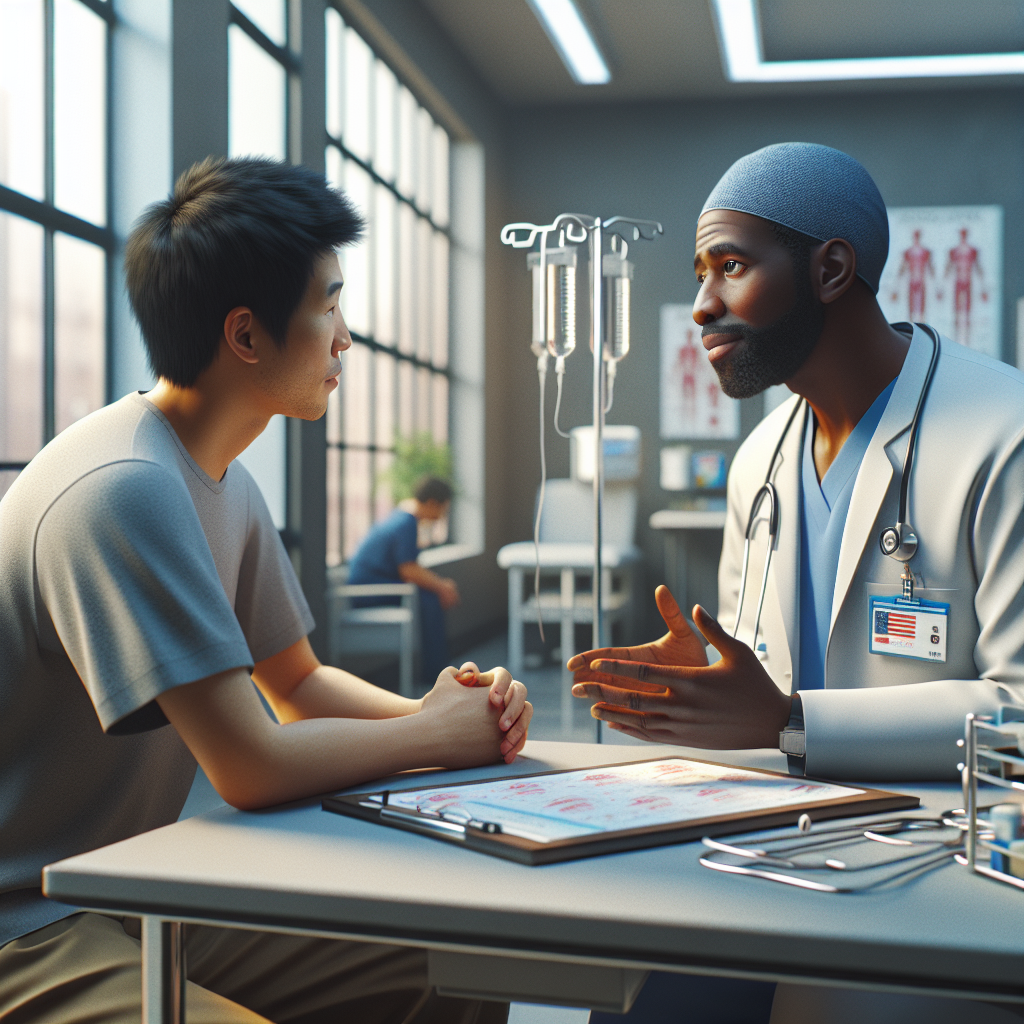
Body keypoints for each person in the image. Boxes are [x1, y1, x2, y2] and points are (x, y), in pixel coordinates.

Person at [0, 157, 532, 1023]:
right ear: (246, 335)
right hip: (29, 921)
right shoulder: (123, 487)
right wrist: (436, 732)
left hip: (132, 886)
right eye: (330, 306)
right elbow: (248, 765)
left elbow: (297, 684)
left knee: (452, 962)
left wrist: (454, 714)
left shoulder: (225, 481)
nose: (345, 339)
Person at [571, 143, 1024, 1023]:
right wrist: (706, 689)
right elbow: (755, 683)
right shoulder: (761, 460)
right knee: (632, 995)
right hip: (767, 847)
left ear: (831, 269)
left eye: (730, 267)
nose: (702, 305)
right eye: (700, 275)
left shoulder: (1002, 434)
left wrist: (788, 719)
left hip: (935, 864)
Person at [347, 475, 459, 685]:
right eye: (443, 509)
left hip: (374, 585)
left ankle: (438, 669)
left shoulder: (400, 517)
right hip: (370, 591)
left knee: (428, 596)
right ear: (432, 503)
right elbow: (408, 570)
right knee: (430, 600)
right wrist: (442, 586)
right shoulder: (406, 523)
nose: (442, 515)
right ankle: (437, 673)